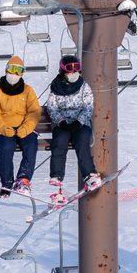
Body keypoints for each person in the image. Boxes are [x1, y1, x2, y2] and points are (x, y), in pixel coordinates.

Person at [44, 55, 99, 203]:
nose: (73, 72)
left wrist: (79, 121)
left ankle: (90, 175)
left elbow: (88, 107)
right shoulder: (56, 87)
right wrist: (60, 121)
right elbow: (52, 107)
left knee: (82, 142)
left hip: (80, 124)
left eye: (76, 69)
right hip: (62, 124)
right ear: (63, 71)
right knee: (59, 142)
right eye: (70, 69)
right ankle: (56, 174)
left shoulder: (84, 86)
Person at [0, 56, 41, 194]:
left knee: (31, 145)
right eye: (11, 70)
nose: (14, 74)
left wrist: (27, 127)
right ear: (6, 71)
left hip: (23, 127)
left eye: (18, 71)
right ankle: (7, 182)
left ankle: (23, 179)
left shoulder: (27, 90)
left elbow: (34, 111)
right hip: (5, 128)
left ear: (22, 74)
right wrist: (2, 127)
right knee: (6, 147)